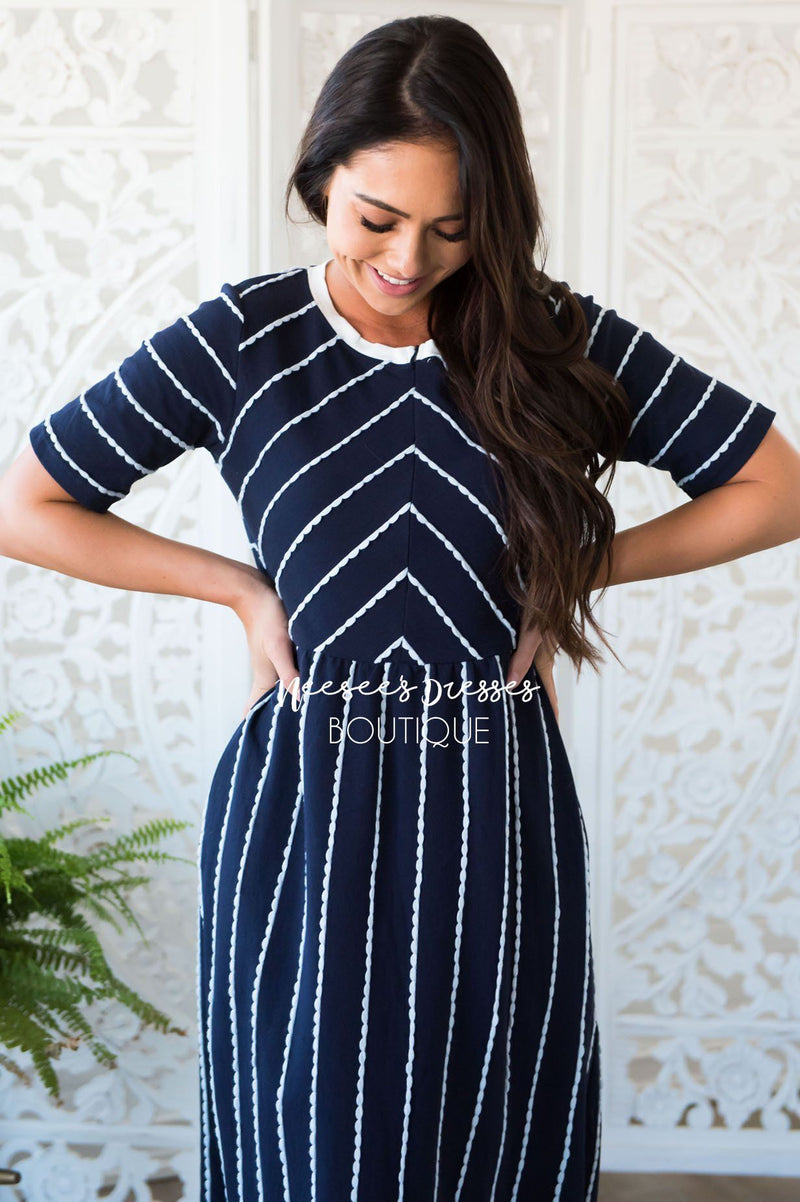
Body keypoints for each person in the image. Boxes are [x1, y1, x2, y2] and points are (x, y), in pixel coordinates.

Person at [2, 14, 799, 1202]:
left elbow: (774, 486)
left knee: (490, 1145)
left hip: (494, 808)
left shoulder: (549, 338)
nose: (407, 258)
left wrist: (576, 572)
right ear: (321, 175)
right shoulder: (243, 340)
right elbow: (28, 502)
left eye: (451, 228)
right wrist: (235, 587)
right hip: (305, 808)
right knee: (312, 1148)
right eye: (375, 217)